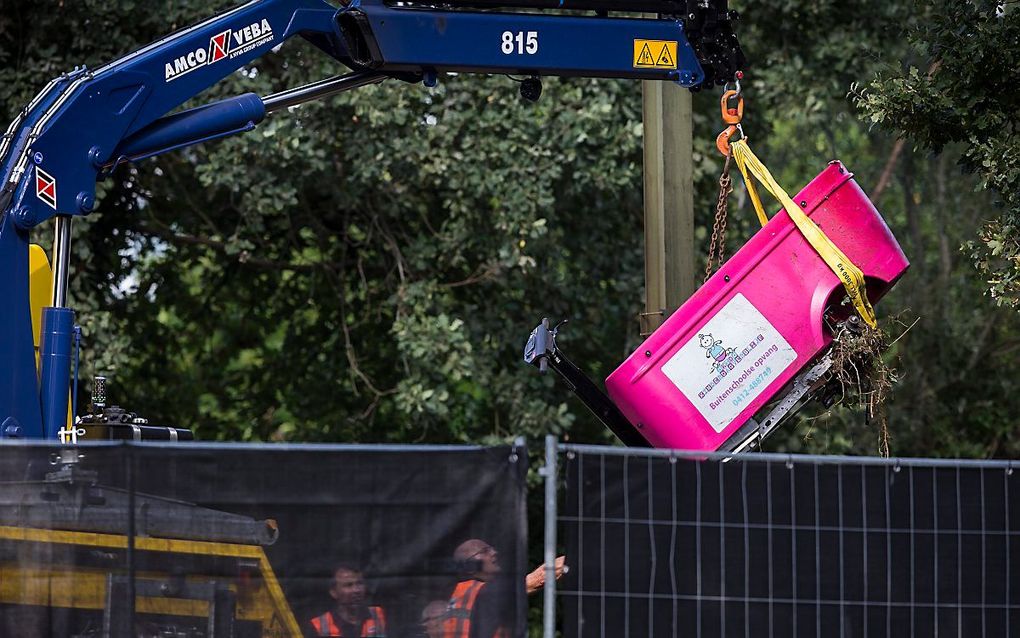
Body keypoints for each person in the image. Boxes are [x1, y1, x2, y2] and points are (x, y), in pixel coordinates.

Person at [443, 539, 566, 638]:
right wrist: (574, 559)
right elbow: (536, 580)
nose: (494, 552)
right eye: (485, 551)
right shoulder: (480, 592)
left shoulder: (457, 596)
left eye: (491, 548)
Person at [308, 563, 388, 637]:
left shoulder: (379, 615)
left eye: (359, 583)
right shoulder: (319, 626)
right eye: (348, 585)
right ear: (334, 592)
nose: (356, 590)